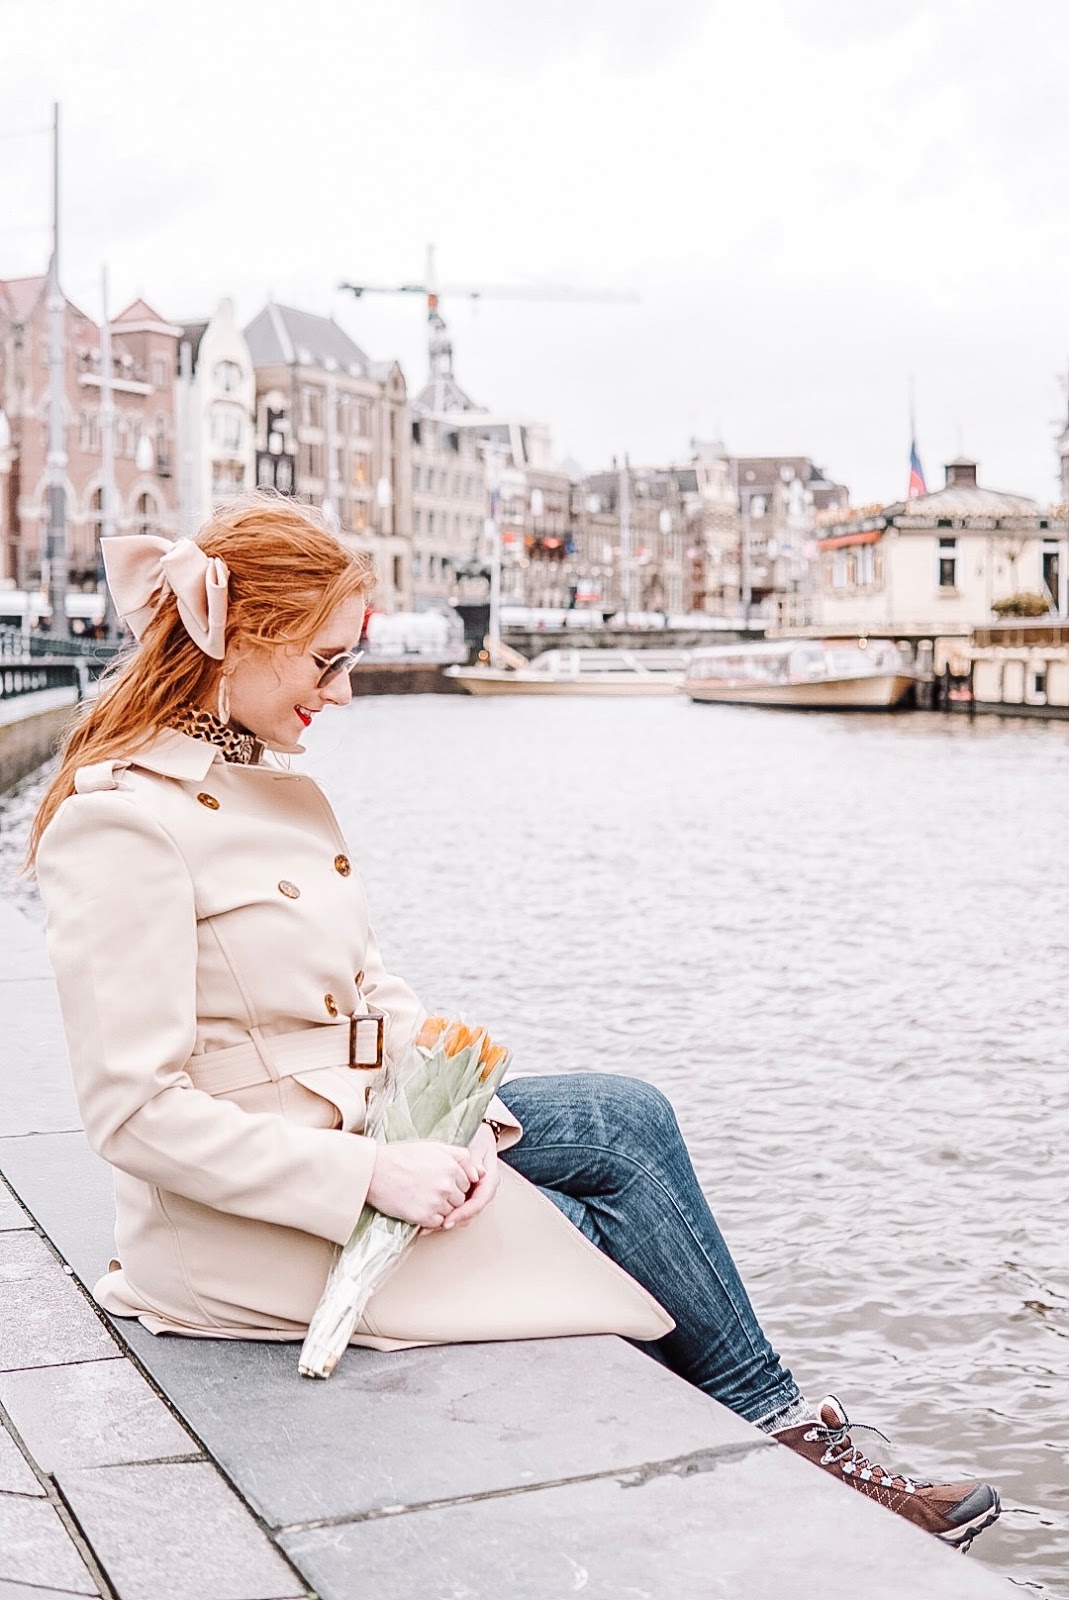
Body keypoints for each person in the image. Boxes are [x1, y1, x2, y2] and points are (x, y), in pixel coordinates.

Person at [29, 496, 999, 1552]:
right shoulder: (121, 819)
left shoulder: (252, 776)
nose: (345, 691)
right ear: (243, 638)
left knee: (623, 1117)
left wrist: (449, 1095)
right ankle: (793, 1461)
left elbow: (366, 985)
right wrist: (373, 1175)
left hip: (353, 1126)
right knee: (591, 1233)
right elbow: (135, 1114)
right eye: (327, 661)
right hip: (243, 1224)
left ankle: (775, 1426)